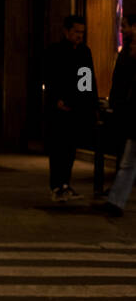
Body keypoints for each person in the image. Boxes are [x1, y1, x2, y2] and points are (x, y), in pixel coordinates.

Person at [44, 15, 97, 201]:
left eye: (82, 33)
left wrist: (89, 103)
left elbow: (87, 80)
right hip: (59, 109)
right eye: (76, 32)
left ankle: (65, 183)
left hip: (76, 108)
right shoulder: (55, 52)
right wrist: (56, 99)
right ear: (66, 31)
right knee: (58, 148)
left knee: (70, 149)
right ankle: (56, 185)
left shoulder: (84, 53)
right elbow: (49, 78)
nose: (79, 36)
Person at [96, 14, 136, 217]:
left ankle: (115, 201)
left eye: (125, 25)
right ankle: (115, 201)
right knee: (127, 162)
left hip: (130, 114)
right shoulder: (126, 53)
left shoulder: (129, 55)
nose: (121, 29)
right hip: (129, 116)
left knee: (128, 162)